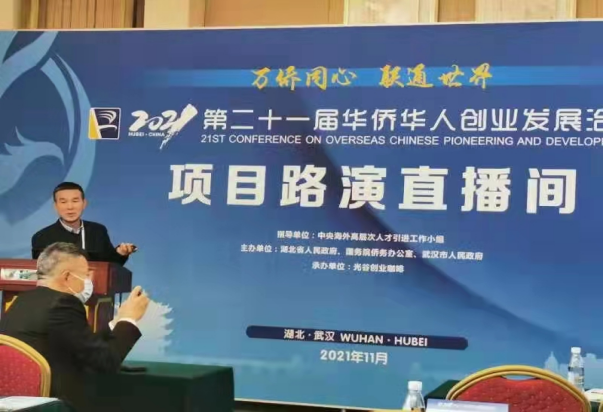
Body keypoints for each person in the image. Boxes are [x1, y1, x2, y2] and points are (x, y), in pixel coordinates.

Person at [0, 242, 150, 411]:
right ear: (67, 277)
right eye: (85, 275)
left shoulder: (22, 301)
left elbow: (81, 344)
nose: (87, 282)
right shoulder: (63, 303)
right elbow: (105, 362)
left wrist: (117, 322)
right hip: (59, 404)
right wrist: (130, 318)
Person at [31, 182, 136, 265]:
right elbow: (41, 273)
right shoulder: (42, 237)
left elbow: (109, 265)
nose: (70, 207)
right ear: (55, 206)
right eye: (63, 202)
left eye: (75, 201)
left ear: (84, 203)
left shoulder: (98, 231)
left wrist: (121, 253)